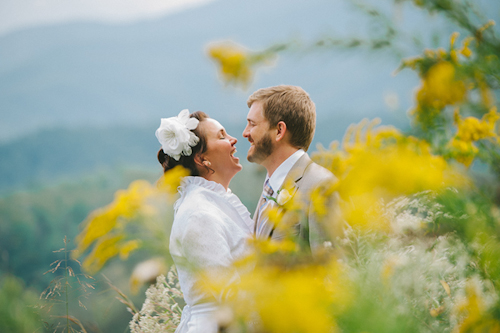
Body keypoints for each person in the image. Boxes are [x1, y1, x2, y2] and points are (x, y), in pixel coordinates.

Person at [156, 109, 253, 333]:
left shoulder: (214, 202)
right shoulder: (198, 213)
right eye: (222, 136)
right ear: (202, 159)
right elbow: (227, 291)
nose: (234, 139)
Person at [243, 85, 339, 254]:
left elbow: (333, 268)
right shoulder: (270, 186)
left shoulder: (321, 187)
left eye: (252, 124)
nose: (245, 133)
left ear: (279, 131)